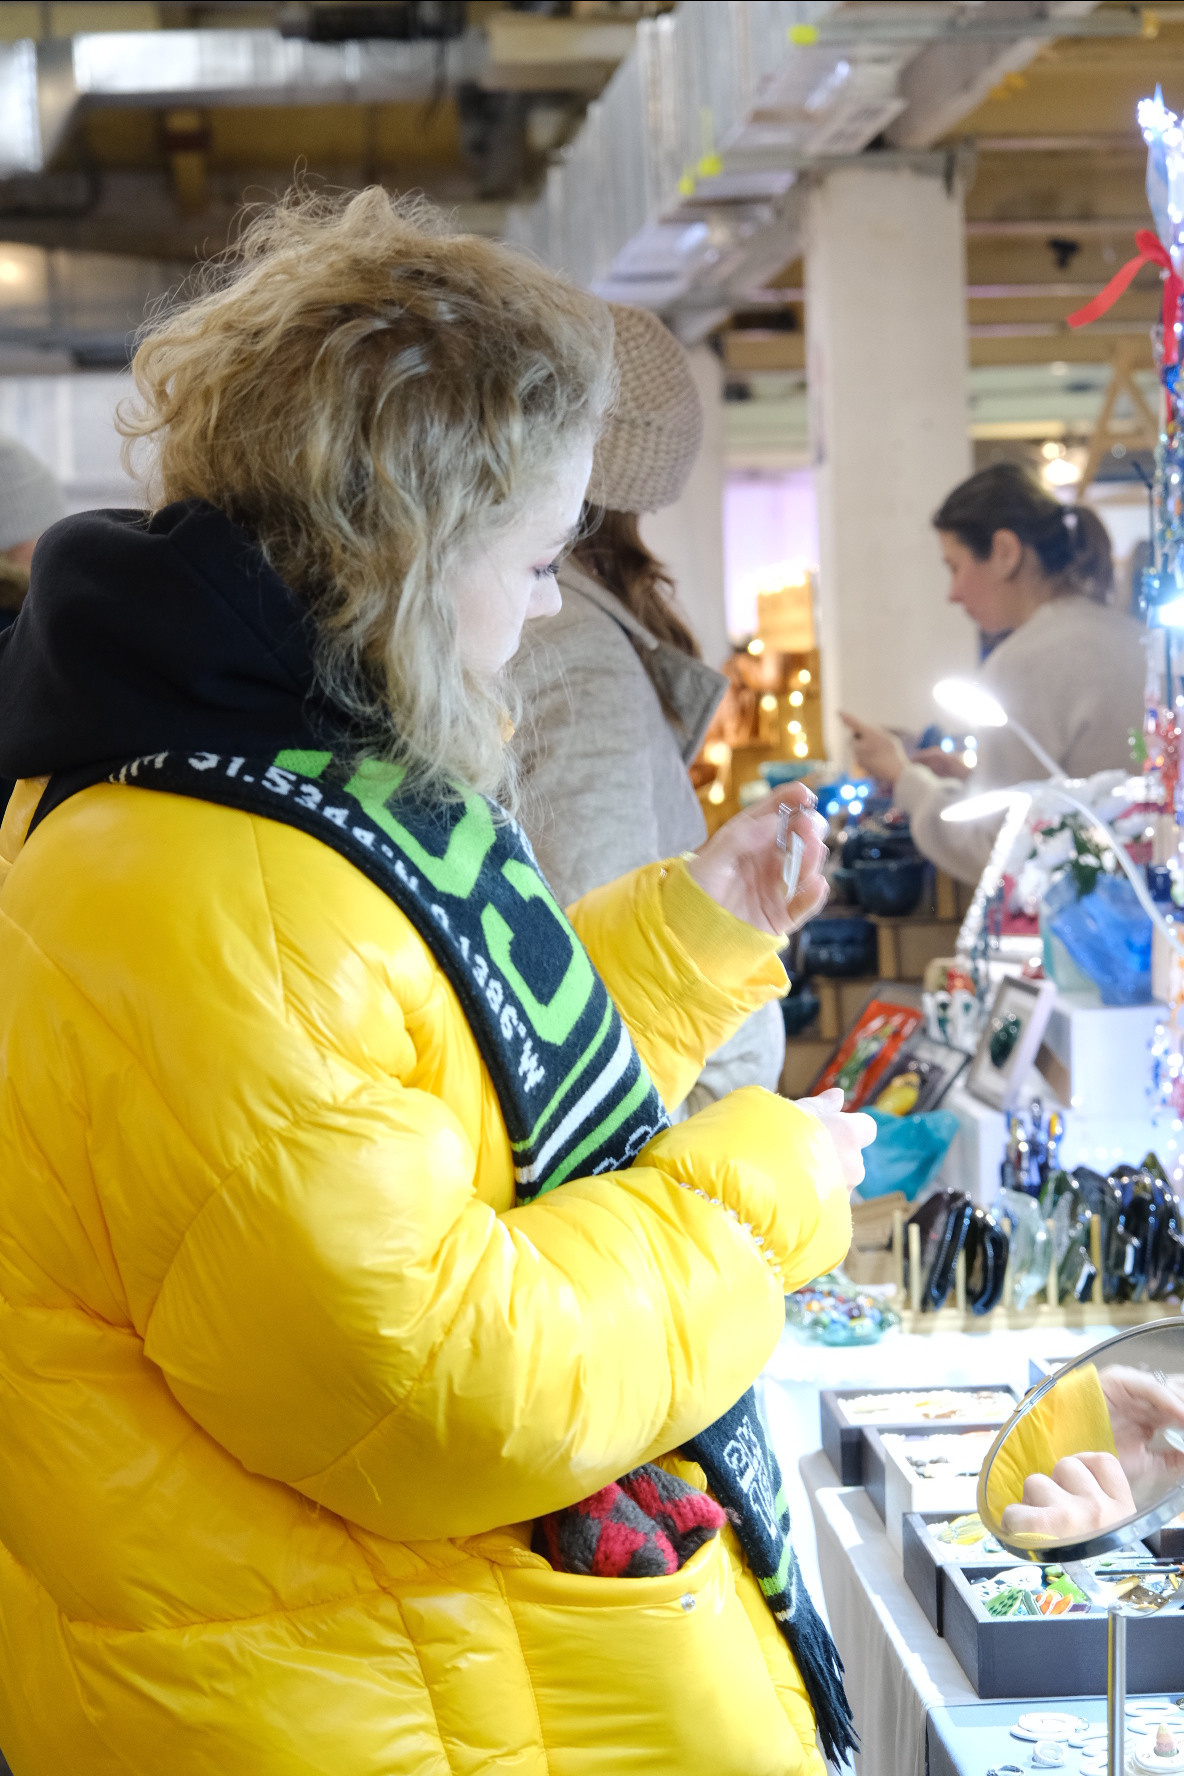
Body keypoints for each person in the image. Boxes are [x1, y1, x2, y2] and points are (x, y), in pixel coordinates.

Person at [0, 190, 873, 1776]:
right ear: (410, 542)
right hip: (371, 1706)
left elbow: (419, 1079)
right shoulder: (201, 872)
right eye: (535, 556)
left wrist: (686, 942)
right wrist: (768, 1187)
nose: (549, 603)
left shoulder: (247, 777)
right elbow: (447, 1389)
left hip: (411, 1676)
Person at [515, 302, 785, 1114]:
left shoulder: (573, 631)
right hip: (661, 1119)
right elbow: (594, 938)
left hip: (668, 1107)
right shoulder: (573, 648)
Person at [841, 461, 1146, 884]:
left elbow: (997, 850)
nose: (952, 593)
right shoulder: (1132, 636)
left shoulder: (1024, 661)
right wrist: (973, 779)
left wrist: (903, 777)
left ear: (1004, 552)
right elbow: (1078, 789)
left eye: (954, 566)